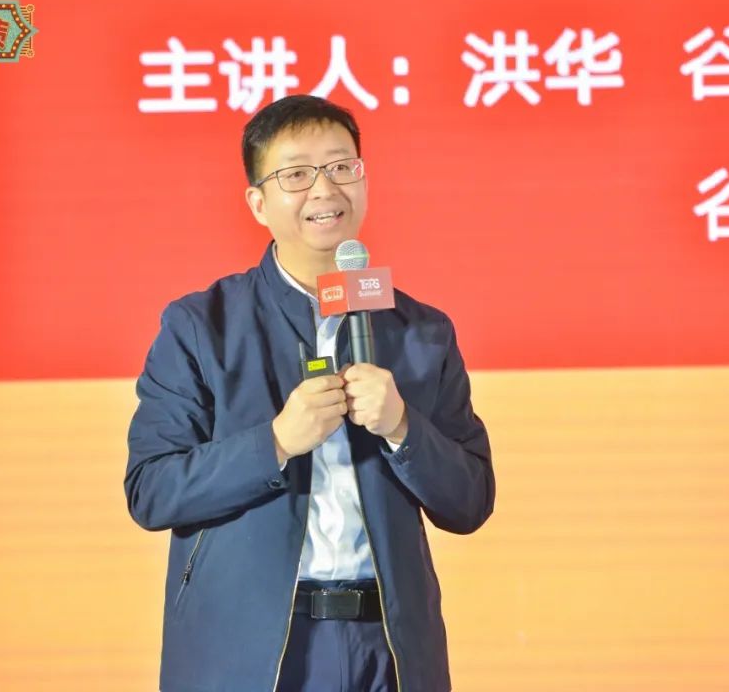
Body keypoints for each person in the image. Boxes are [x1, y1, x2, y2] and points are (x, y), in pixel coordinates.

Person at [125, 94, 495, 692]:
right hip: (250, 650)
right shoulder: (201, 326)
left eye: (342, 167)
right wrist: (274, 443)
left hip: (390, 647)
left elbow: (470, 500)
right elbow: (152, 490)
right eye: (296, 174)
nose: (325, 190)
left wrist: (403, 428)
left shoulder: (421, 332)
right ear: (258, 202)